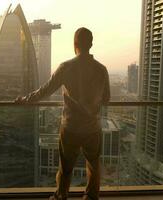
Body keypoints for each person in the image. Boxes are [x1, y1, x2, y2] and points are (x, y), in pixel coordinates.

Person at [15, 27, 110, 200]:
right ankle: (91, 196)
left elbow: (45, 90)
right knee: (93, 166)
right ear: (91, 44)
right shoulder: (101, 70)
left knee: (66, 166)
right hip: (92, 127)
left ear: (75, 44)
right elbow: (107, 98)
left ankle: (61, 195)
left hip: (71, 126)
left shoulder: (66, 67)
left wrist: (25, 100)